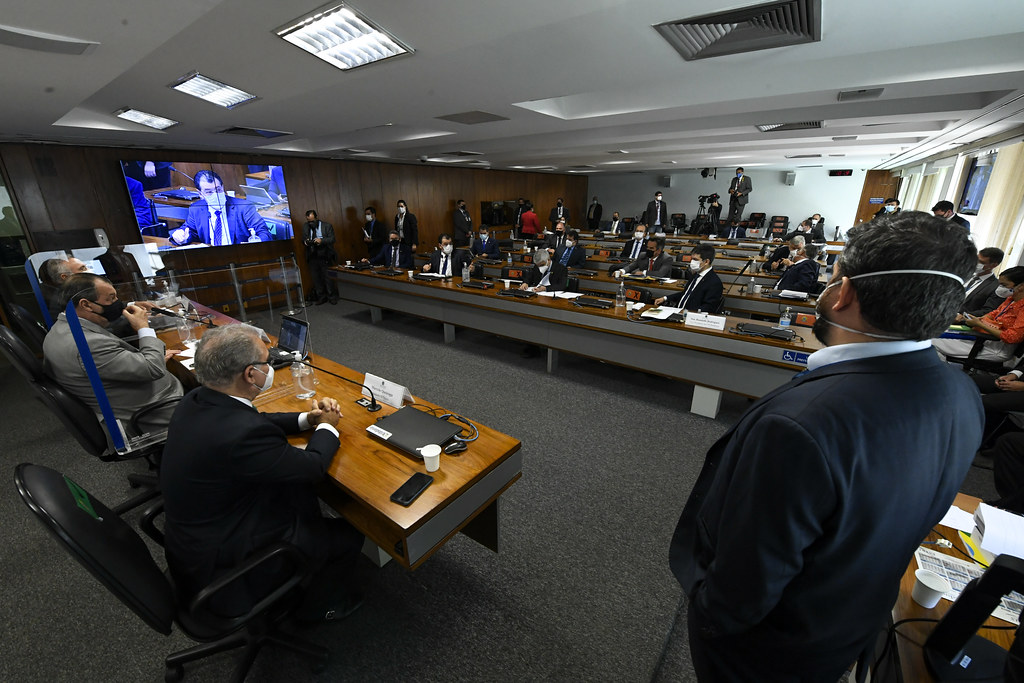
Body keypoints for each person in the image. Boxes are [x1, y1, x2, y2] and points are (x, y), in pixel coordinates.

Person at [669, 211, 982, 682]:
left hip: (764, 651)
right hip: (848, 624)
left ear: (843, 293)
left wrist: (712, 615)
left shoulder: (800, 424)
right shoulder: (962, 392)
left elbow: (748, 576)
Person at [160, 323, 363, 620]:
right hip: (230, 560)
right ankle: (319, 609)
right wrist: (328, 426)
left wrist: (309, 418)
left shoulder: (197, 399)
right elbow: (312, 468)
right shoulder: (241, 434)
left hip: (196, 538)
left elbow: (257, 419)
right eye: (267, 362)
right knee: (348, 533)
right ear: (250, 374)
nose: (270, 366)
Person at [42, 273, 183, 435]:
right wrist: (144, 328)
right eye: (110, 299)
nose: (117, 304)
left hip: (130, 397)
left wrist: (152, 356)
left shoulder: (59, 330)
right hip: (155, 413)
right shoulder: (89, 345)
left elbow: (108, 364)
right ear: (86, 305)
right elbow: (153, 369)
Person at [934, 266, 1024, 362]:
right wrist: (979, 319)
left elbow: (1012, 337)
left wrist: (979, 324)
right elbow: (994, 313)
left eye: (1004, 285)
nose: (1000, 288)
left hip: (996, 348)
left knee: (932, 343)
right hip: (983, 339)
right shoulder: (1011, 299)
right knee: (933, 338)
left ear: (1021, 286)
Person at [168, 170, 270, 246]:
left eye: (218, 190)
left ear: (223, 187)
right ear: (200, 194)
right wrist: (180, 236)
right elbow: (189, 231)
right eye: (209, 192)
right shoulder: (196, 209)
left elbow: (264, 233)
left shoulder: (244, 207)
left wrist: (255, 243)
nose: (215, 195)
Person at [655, 245, 722, 312]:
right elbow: (686, 294)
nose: (692, 262)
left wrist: (686, 314)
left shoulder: (714, 282)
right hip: (678, 311)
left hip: (691, 317)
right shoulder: (696, 275)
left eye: (695, 260)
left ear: (706, 262)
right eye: (692, 259)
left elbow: (708, 308)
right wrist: (665, 298)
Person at [303, 209, 337, 305]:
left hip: (325, 255)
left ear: (317, 218)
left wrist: (321, 241)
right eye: (308, 221)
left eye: (312, 221)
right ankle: (321, 297)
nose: (310, 223)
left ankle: (332, 296)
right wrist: (306, 242)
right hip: (312, 255)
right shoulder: (305, 226)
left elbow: (332, 239)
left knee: (328, 277)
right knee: (316, 278)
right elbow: (303, 239)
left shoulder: (326, 226)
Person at [962, 247, 1005, 315]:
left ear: (994, 265)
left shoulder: (995, 286)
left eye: (981, 262)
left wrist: (962, 317)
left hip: (962, 321)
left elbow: (988, 311)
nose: (976, 263)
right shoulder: (965, 276)